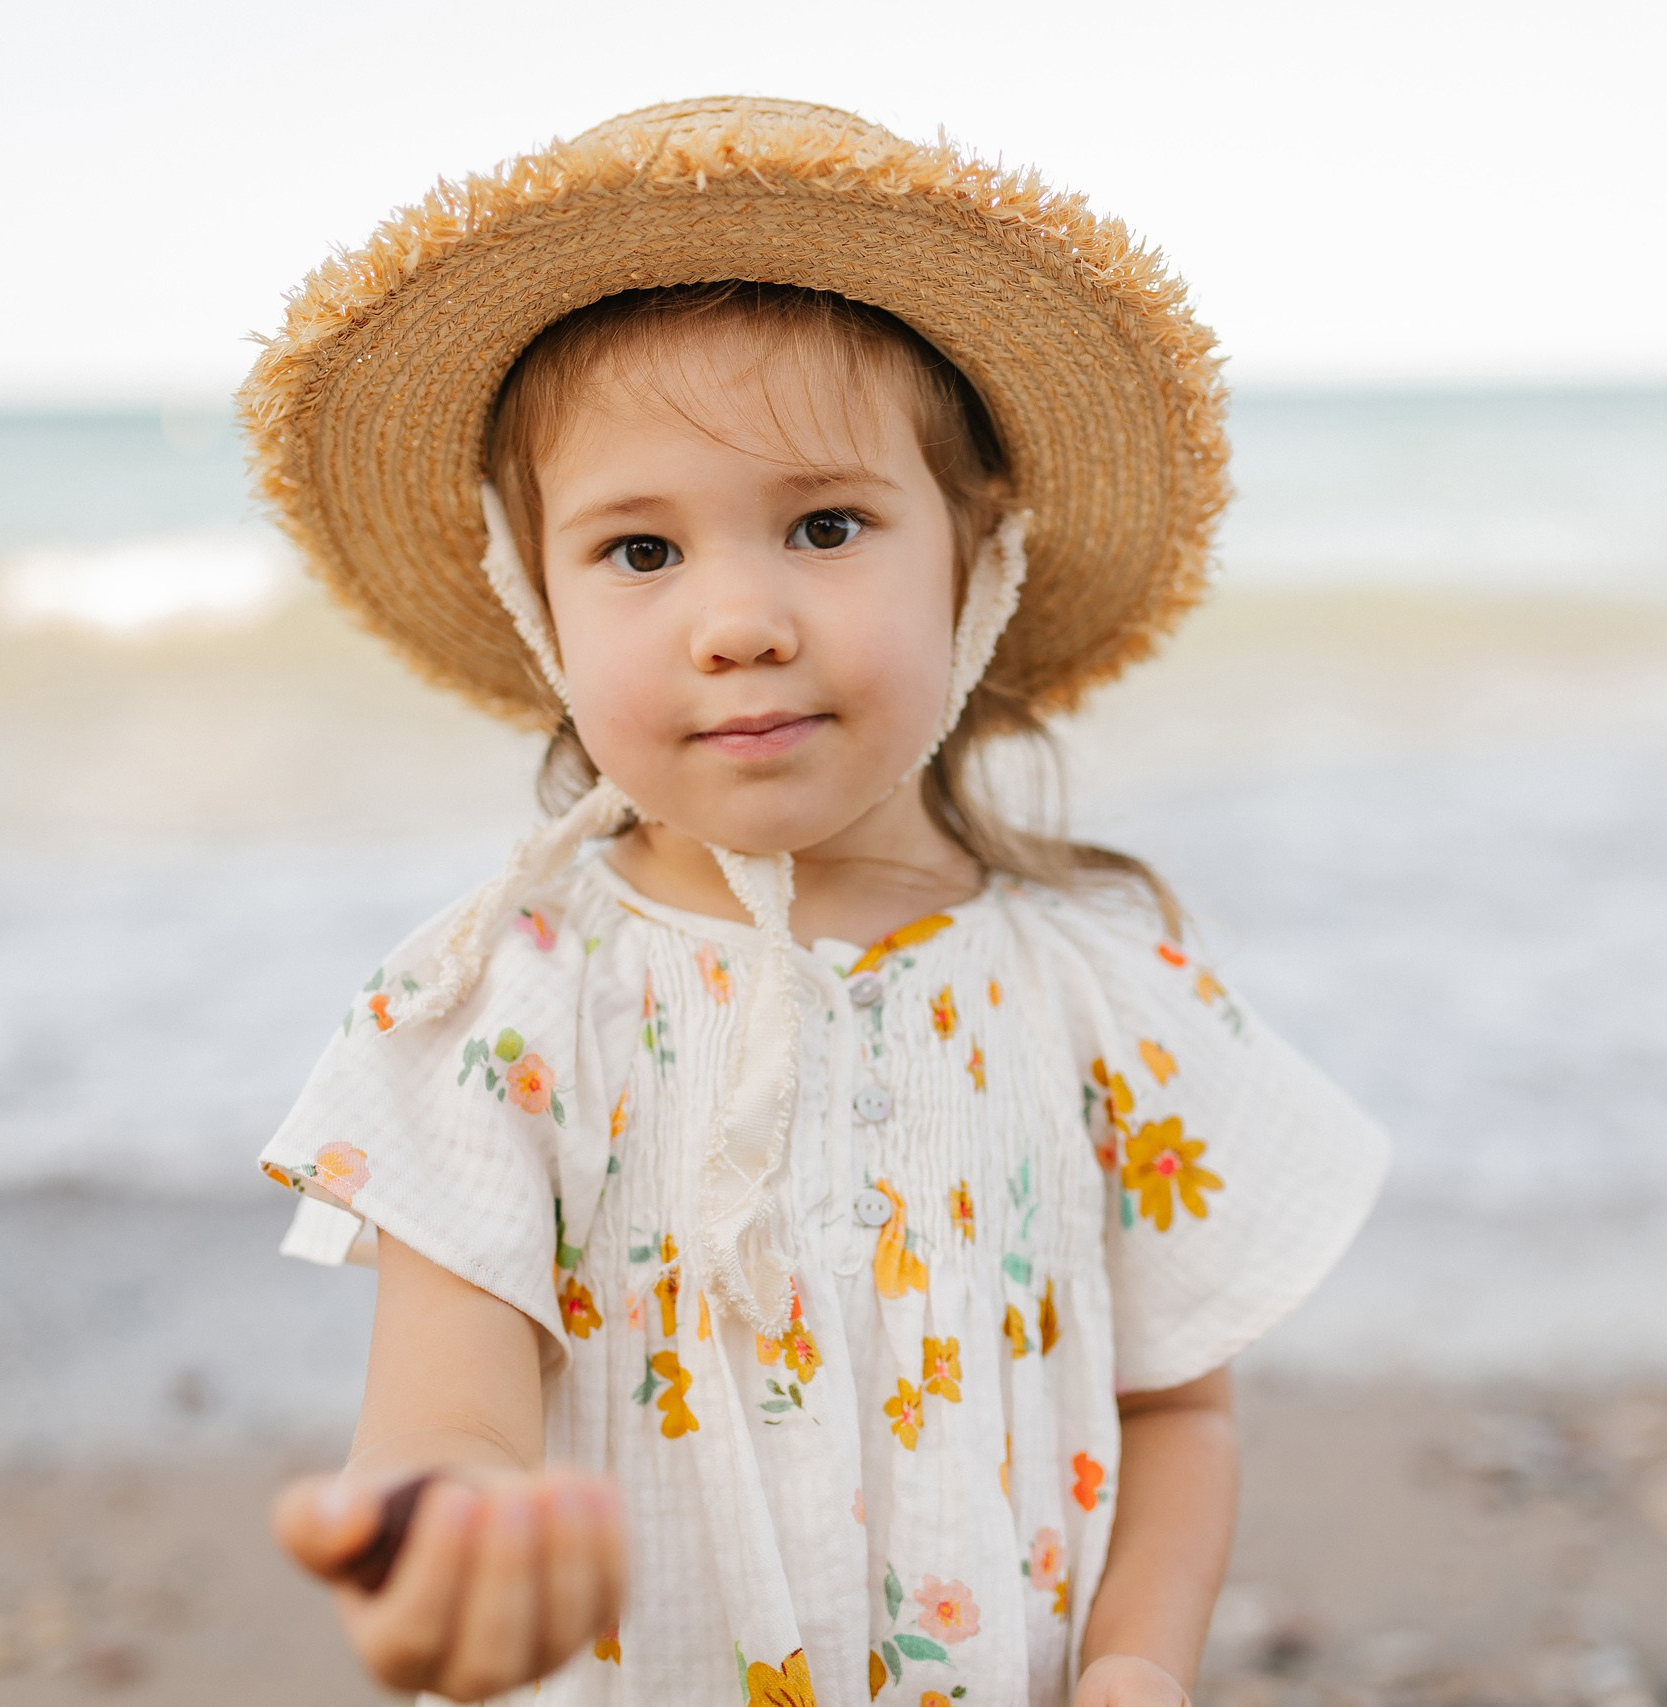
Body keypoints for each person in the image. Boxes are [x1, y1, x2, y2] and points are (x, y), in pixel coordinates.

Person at [247, 97, 1388, 1707]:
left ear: (975, 559)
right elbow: (447, 1411)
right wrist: (454, 1522)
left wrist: (1138, 1661)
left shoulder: (1091, 995)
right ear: (536, 602)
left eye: (827, 525)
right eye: (639, 552)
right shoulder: (505, 1004)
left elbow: (1173, 1414)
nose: (737, 620)